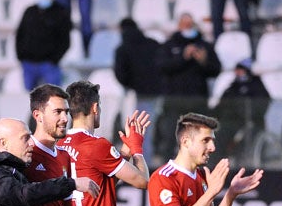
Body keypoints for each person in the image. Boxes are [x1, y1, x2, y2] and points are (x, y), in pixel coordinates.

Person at [156, 13, 221, 162]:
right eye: (184, 25)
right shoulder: (170, 45)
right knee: (170, 138)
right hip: (174, 102)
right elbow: (162, 67)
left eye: (190, 25)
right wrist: (182, 58)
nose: (187, 28)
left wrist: (203, 61)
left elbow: (215, 70)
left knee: (198, 139)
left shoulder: (204, 46)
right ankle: (168, 168)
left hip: (197, 102)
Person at [114, 18, 164, 161]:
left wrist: (132, 84)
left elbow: (120, 74)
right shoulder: (153, 44)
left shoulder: (123, 48)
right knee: (153, 128)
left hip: (139, 94)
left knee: (142, 130)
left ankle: (144, 163)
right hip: (160, 92)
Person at [15, 0, 72, 91]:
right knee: (30, 97)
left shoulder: (60, 13)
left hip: (48, 64)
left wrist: (54, 59)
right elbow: (20, 34)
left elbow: (65, 40)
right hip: (28, 63)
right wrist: (21, 56)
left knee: (53, 95)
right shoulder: (30, 11)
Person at [213, 57, 271, 159]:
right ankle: (217, 162)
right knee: (221, 135)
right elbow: (222, 104)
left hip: (252, 122)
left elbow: (262, 105)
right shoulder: (233, 87)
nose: (238, 72)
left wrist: (248, 113)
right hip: (233, 121)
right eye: (237, 69)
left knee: (246, 138)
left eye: (241, 69)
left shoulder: (257, 85)